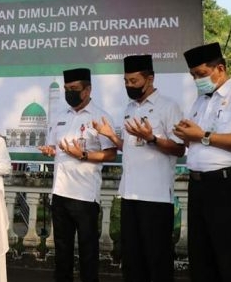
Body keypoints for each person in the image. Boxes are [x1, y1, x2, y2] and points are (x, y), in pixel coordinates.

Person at [173, 42, 231, 282]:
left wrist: (202, 135)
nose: (197, 80)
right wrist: (186, 134)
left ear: (220, 68)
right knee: (201, 258)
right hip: (198, 185)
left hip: (226, 185)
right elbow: (196, 138)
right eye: (193, 76)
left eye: (201, 74)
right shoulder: (200, 101)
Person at [93, 55, 185, 282]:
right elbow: (131, 148)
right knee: (132, 259)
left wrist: (152, 137)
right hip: (129, 193)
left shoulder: (168, 106)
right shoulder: (129, 108)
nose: (128, 86)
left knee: (157, 260)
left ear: (150, 79)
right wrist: (112, 137)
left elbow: (179, 149)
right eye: (125, 81)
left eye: (133, 81)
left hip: (156, 197)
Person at [38, 68, 117, 282]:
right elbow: (57, 148)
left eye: (74, 89)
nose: (69, 93)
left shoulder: (100, 117)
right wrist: (50, 151)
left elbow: (111, 154)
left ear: (87, 89)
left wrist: (82, 154)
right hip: (60, 193)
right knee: (62, 252)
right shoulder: (60, 116)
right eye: (66, 89)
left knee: (87, 252)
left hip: (85, 195)